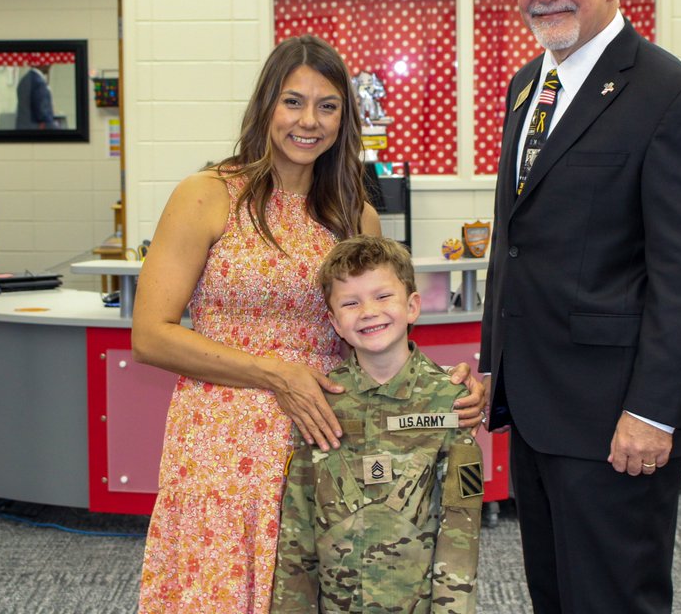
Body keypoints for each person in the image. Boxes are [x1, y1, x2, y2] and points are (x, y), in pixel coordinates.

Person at [132, 35, 485, 613]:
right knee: (218, 589)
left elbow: (379, 325)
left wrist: (442, 388)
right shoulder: (208, 195)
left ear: (344, 119)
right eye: (293, 102)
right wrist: (277, 376)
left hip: (330, 434)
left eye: (327, 106)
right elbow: (149, 334)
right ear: (267, 104)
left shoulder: (356, 214)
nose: (309, 121)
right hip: (223, 438)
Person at [479, 0, 681, 614]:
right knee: (554, 596)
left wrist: (653, 411)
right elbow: (517, 242)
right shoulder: (529, 85)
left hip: (617, 417)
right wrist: (496, 367)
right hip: (535, 404)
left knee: (614, 601)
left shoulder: (672, 96)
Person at [271, 235, 482, 613]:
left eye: (383, 296)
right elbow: (296, 537)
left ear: (413, 305)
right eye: (351, 303)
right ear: (334, 322)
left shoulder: (450, 402)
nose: (369, 311)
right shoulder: (319, 404)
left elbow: (460, 534)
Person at [15, 63, 57, 129]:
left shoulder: (24, 80)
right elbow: (42, 112)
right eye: (48, 63)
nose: (50, 65)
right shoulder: (39, 83)